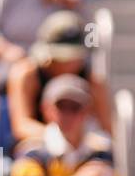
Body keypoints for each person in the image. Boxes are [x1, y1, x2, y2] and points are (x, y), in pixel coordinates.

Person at [7, 10, 110, 146]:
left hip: (81, 150)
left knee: (98, 165)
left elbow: (107, 129)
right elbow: (21, 126)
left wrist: (81, 145)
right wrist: (57, 139)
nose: (67, 63)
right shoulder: (26, 75)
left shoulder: (94, 81)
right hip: (37, 149)